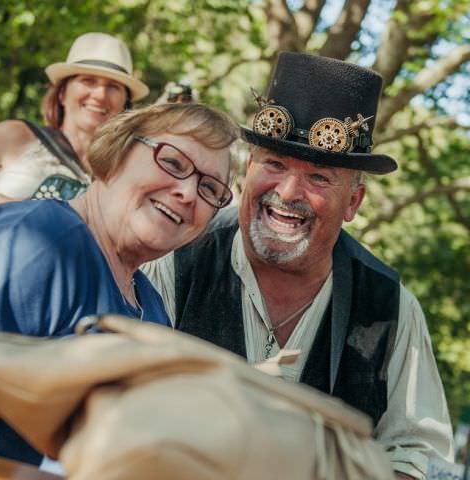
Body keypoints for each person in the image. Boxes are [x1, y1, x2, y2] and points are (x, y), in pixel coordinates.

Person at [144, 52, 454, 479]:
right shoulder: (173, 260)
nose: (288, 192)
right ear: (246, 171)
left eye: (319, 177)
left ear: (354, 202)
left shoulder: (391, 308)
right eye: (274, 164)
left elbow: (423, 457)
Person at [0, 102, 237, 466]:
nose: (187, 192)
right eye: (173, 163)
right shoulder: (39, 242)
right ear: (118, 152)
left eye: (210, 188)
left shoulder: (152, 310)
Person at [0, 32, 149, 203]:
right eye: (88, 80)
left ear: (125, 104)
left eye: (113, 86)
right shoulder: (14, 136)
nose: (100, 95)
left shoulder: (119, 176)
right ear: (62, 93)